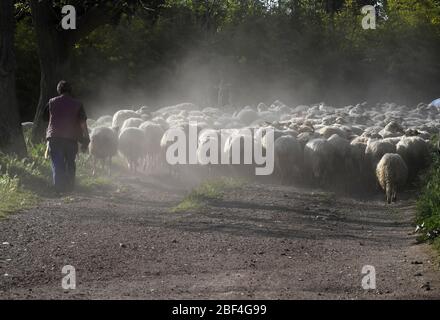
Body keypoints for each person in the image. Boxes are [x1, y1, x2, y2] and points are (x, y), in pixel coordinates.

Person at [44, 80, 90, 193]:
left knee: (57, 163)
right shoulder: (78, 104)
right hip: (71, 138)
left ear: (59, 90)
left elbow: (47, 118)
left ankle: (59, 189)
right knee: (70, 162)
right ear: (70, 90)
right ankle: (69, 188)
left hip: (54, 137)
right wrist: (86, 138)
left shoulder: (51, 102)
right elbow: (83, 123)